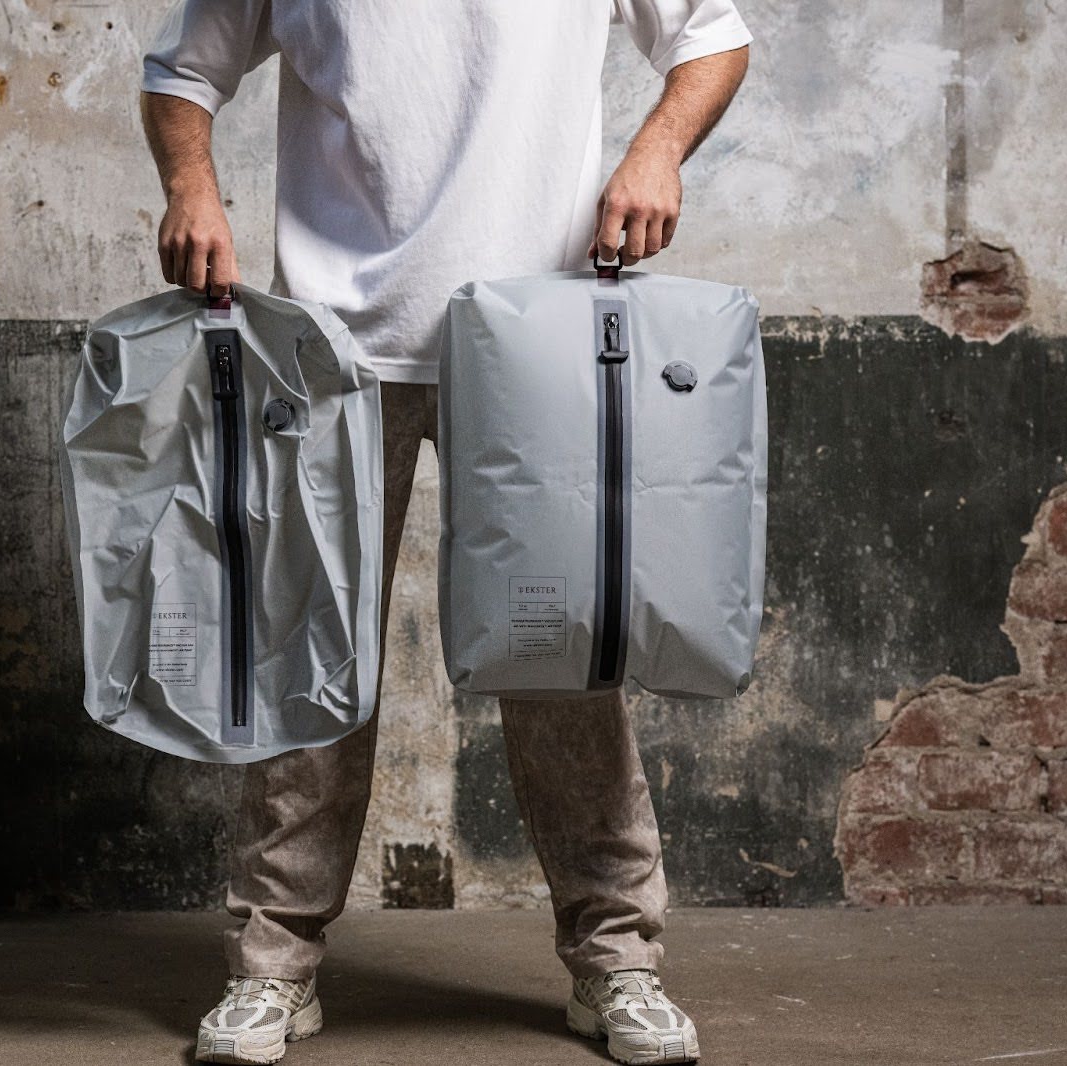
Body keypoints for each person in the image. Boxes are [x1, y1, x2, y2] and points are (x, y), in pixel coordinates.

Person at [139, 3, 751, 1063]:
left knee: (563, 665)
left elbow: (711, 34)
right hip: (332, 346)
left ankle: (616, 963)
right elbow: (181, 70)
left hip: (539, 339)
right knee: (309, 664)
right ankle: (272, 968)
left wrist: (656, 152)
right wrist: (191, 186)